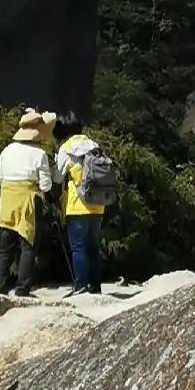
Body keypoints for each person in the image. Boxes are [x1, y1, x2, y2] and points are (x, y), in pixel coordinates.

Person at [0, 110, 56, 297]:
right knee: (28, 246)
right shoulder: (39, 154)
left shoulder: (6, 151)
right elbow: (46, 185)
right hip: (29, 202)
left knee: (4, 249)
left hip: (7, 202)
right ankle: (22, 288)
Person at [54, 116, 109, 296]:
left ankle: (80, 286)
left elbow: (57, 177)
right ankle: (95, 286)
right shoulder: (94, 145)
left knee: (78, 247)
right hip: (99, 203)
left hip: (78, 205)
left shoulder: (67, 148)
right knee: (93, 246)